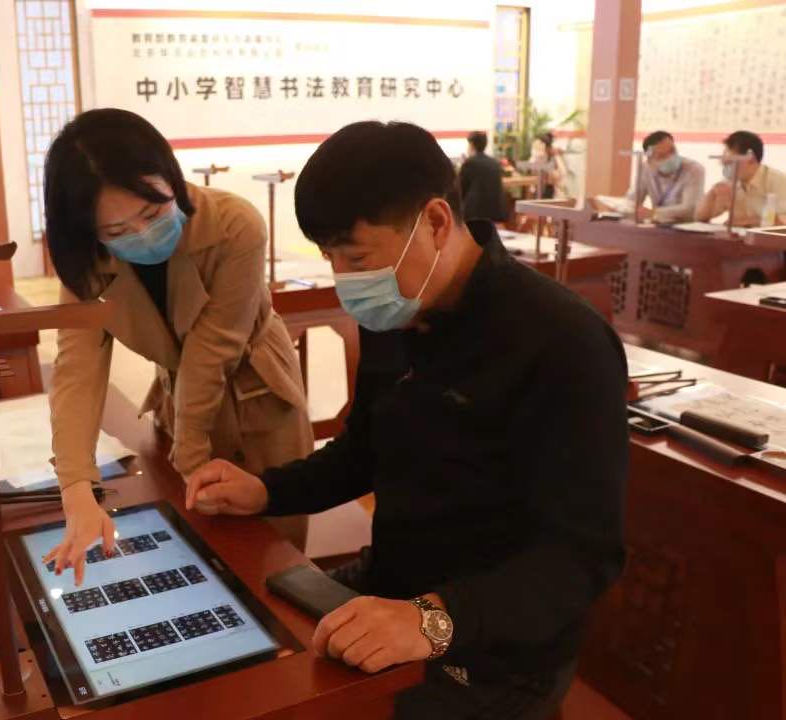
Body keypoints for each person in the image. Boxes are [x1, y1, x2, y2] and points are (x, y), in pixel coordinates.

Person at [185, 121, 628, 719]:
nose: (346, 280)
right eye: (330, 258)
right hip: (390, 584)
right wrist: (267, 490)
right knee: (246, 655)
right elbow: (366, 450)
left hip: (494, 642)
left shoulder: (562, 341)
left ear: (437, 222)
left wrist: (431, 621)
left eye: (356, 257)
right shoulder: (396, 309)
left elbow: (581, 557)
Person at [40, 109, 313, 580]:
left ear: (170, 176)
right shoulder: (85, 261)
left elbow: (213, 351)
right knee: (198, 558)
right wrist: (77, 489)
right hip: (178, 405)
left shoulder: (234, 225)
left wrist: (191, 458)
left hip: (260, 401)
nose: (141, 234)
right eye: (116, 232)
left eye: (152, 213)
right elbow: (77, 371)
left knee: (273, 566)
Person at [696, 130, 786, 227]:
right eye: (724, 163)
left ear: (750, 159)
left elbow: (782, 222)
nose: (725, 167)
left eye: (730, 162)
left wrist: (747, 222)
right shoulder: (730, 183)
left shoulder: (779, 182)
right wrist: (712, 194)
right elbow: (699, 217)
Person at [626, 130, 704, 223]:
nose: (670, 157)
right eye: (662, 156)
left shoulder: (694, 169)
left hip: (685, 225)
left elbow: (690, 209)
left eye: (672, 151)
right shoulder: (646, 168)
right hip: (658, 224)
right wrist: (626, 208)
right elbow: (632, 201)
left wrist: (654, 212)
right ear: (649, 160)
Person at [458, 131, 507, 223]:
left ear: (471, 145)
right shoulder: (494, 162)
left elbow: (460, 189)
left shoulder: (469, 163)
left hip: (475, 212)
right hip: (496, 210)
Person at [528, 132, 568, 199]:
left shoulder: (553, 157)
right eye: (534, 146)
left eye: (538, 146)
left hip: (549, 190)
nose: (535, 149)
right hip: (539, 188)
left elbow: (560, 175)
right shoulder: (537, 156)